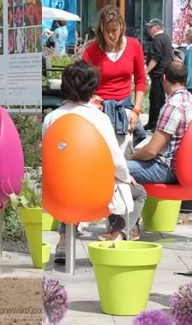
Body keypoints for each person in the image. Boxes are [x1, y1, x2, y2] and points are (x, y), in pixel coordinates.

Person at [42, 60, 147, 263]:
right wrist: (126, 178)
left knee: (69, 184)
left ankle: (63, 241)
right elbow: (116, 159)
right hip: (94, 195)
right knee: (139, 193)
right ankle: (117, 236)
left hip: (56, 194)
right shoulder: (99, 118)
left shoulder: (52, 118)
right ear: (93, 87)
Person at [82, 5, 148, 150]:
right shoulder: (91, 51)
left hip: (124, 110)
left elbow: (140, 79)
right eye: (107, 31)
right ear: (101, 30)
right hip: (98, 111)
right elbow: (82, 83)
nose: (111, 35)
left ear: (121, 27)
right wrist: (92, 98)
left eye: (114, 30)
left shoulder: (133, 45)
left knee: (123, 159)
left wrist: (136, 110)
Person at [128, 60, 192, 184]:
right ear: (186, 80)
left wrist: (132, 156)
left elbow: (152, 150)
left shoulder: (172, 106)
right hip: (189, 168)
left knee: (117, 168)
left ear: (164, 78)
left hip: (167, 169)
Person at [145, 18, 173, 132]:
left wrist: (146, 71)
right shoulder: (166, 37)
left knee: (158, 100)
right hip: (162, 74)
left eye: (151, 27)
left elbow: (156, 57)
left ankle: (157, 125)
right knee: (153, 99)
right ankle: (152, 123)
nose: (149, 30)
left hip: (158, 75)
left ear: (156, 27)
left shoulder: (157, 39)